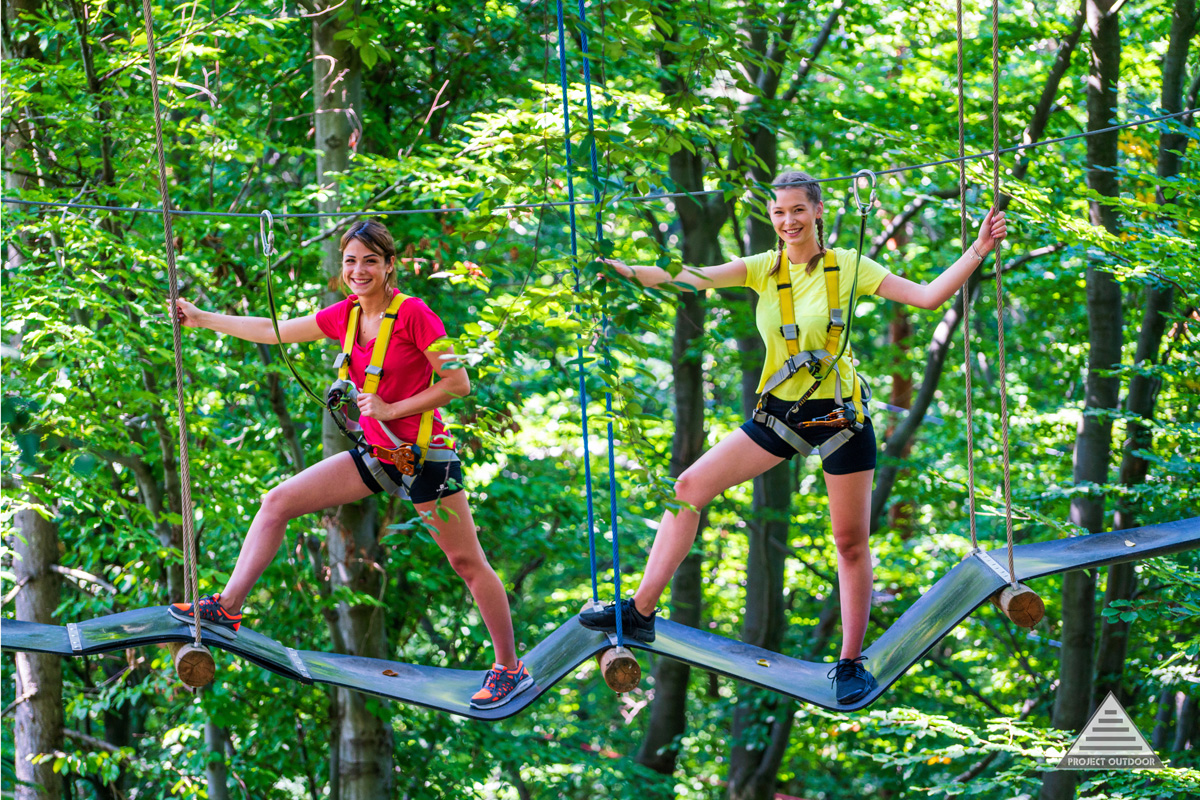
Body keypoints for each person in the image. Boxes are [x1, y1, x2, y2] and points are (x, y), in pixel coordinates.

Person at [580, 171, 1007, 704]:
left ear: (818, 211)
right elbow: (688, 276)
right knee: (687, 488)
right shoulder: (763, 268)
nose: (788, 221)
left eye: (798, 210)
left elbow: (925, 298)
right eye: (779, 212)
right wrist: (622, 270)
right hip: (781, 414)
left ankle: (850, 661)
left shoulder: (849, 266)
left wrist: (978, 249)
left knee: (850, 542)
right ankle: (640, 612)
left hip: (840, 418)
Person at [168, 219, 532, 710]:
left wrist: (390, 409)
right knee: (277, 502)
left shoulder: (416, 314)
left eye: (370, 261)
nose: (359, 271)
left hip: (426, 458)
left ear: (389, 265)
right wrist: (201, 318)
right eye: (351, 261)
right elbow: (274, 331)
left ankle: (509, 667)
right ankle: (228, 608)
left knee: (466, 563)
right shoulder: (345, 315)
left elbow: (458, 383)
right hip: (377, 454)